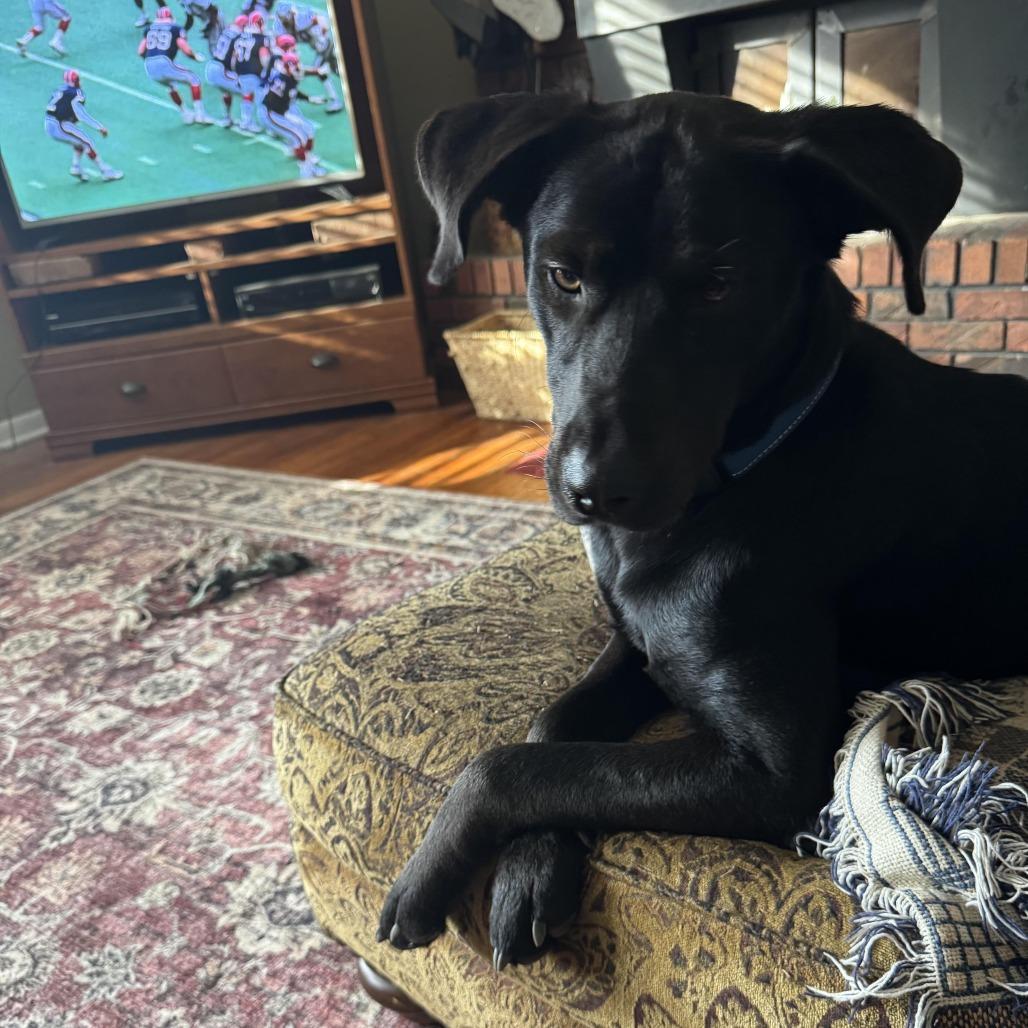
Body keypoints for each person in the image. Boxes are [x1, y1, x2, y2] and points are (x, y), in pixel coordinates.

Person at [44, 70, 123, 182]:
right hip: (60, 124)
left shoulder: (60, 89)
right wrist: (99, 127)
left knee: (79, 142)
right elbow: (81, 115)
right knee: (87, 143)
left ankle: (76, 167)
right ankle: (106, 172)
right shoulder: (76, 93)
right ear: (75, 80)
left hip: (50, 122)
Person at [138, 6, 211, 125]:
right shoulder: (175, 28)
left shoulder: (149, 29)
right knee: (194, 80)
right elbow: (185, 48)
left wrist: (152, 60)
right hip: (164, 62)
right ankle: (200, 115)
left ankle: (185, 114)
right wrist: (195, 57)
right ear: (170, 17)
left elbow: (140, 51)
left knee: (171, 86)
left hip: (149, 66)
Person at [259, 52, 321, 178]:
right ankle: (306, 173)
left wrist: (309, 99)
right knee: (299, 138)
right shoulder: (285, 80)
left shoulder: (286, 77)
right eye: (296, 65)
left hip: (280, 112)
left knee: (308, 130)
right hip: (272, 114)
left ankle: (309, 165)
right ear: (289, 66)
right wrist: (288, 116)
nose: (299, 67)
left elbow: (292, 91)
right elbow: (279, 99)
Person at [205, 14, 248, 128]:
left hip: (212, 67)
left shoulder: (226, 31)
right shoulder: (239, 37)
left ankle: (227, 118)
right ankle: (247, 122)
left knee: (227, 91)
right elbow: (236, 57)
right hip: (221, 70)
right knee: (248, 89)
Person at [232, 10, 271, 133]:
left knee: (247, 95)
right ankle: (270, 126)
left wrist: (235, 73)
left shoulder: (239, 36)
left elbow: (234, 57)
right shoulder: (261, 39)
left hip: (240, 70)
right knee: (263, 98)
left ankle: (246, 121)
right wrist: (268, 71)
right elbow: (264, 58)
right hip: (253, 71)